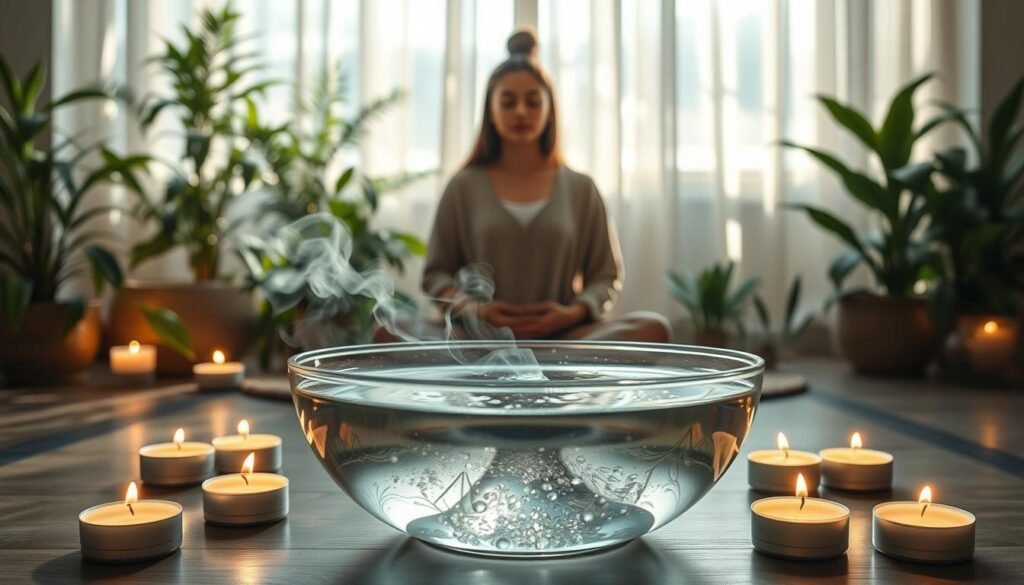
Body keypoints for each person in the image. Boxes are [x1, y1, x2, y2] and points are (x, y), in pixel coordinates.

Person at [408, 29, 669, 343]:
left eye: (532, 102)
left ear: (549, 111)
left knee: (653, 327)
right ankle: (525, 367)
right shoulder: (463, 186)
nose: (521, 112)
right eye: (508, 101)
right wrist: (477, 310)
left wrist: (571, 313)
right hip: (478, 339)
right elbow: (436, 276)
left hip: (564, 338)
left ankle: (546, 362)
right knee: (387, 330)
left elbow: (605, 277)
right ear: (490, 110)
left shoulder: (581, 188)